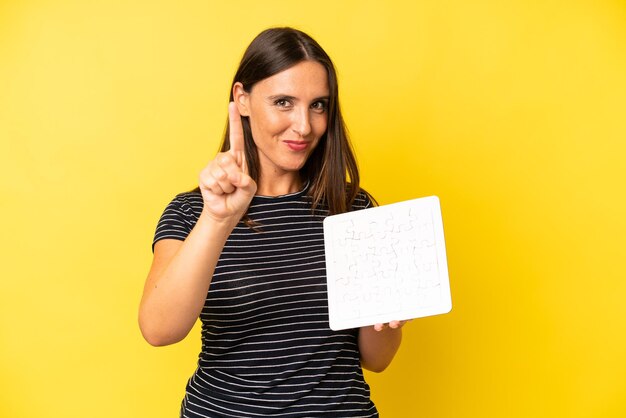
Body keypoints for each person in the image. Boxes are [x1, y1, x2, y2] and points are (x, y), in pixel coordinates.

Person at [139, 27, 407, 417]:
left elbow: (376, 360)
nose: (304, 125)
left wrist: (391, 316)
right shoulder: (191, 212)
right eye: (283, 102)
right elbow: (159, 330)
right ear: (242, 99)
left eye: (318, 105)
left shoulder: (354, 209)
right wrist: (218, 219)